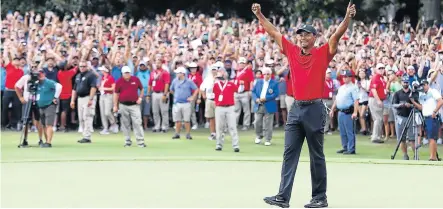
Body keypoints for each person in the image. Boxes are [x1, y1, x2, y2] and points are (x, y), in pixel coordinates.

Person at [252, 1, 356, 208]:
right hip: (296, 108)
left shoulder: (323, 52)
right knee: (289, 153)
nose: (301, 37)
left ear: (314, 38)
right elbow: (273, 32)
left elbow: (336, 35)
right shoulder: (291, 51)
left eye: (306, 34)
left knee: (316, 155)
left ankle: (320, 198)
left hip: (315, 108)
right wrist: (259, 15)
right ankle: (283, 196)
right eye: (299, 34)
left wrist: (348, 17)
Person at [113, 66, 146, 147]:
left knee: (137, 123)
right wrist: (115, 106)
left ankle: (140, 141)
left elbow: (141, 89)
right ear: (122, 73)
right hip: (123, 105)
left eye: (128, 72)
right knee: (125, 124)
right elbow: (116, 94)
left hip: (134, 105)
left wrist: (140, 98)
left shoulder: (135, 79)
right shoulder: (119, 81)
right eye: (125, 73)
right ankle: (127, 141)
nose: (127, 74)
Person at [410, 80, 443, 161]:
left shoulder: (433, 91)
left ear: (428, 84)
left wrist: (435, 111)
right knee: (429, 137)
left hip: (432, 117)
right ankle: (433, 156)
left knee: (432, 137)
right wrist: (413, 102)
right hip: (426, 117)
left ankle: (432, 157)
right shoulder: (421, 94)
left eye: (424, 85)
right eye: (422, 85)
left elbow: (440, 101)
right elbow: (422, 107)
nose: (423, 87)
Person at [330, 70, 359, 154]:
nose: (344, 78)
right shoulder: (341, 87)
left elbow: (356, 101)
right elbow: (337, 99)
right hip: (340, 111)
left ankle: (351, 148)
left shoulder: (353, 87)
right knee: (342, 131)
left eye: (346, 77)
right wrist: (332, 109)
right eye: (343, 77)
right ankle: (345, 147)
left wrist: (355, 112)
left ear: (350, 77)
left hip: (348, 112)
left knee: (349, 131)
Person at [212, 70, 241, 152]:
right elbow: (211, 91)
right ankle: (219, 144)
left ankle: (236, 145)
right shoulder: (216, 84)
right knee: (219, 127)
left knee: (232, 126)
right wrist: (214, 80)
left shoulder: (230, 84)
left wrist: (240, 84)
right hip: (219, 107)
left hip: (230, 107)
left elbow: (238, 89)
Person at [15, 64, 44, 146]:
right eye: (33, 67)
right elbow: (16, 86)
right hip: (27, 101)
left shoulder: (41, 77)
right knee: (25, 121)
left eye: (36, 67)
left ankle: (40, 139)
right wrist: (21, 97)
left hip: (37, 101)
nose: (34, 68)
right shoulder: (25, 77)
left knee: (38, 120)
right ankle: (24, 139)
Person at [71, 61, 97, 143]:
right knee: (81, 117)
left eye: (84, 66)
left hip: (87, 97)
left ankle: (87, 136)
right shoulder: (78, 76)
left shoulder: (91, 75)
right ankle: (84, 135)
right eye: (81, 66)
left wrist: (91, 99)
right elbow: (74, 89)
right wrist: (72, 100)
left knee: (87, 116)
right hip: (80, 98)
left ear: (87, 67)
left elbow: (93, 87)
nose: (82, 68)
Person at [35, 68, 62, 147]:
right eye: (38, 74)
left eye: (41, 73)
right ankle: (46, 141)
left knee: (49, 124)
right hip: (41, 106)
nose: (40, 75)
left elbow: (59, 86)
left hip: (49, 105)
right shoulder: (37, 83)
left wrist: (55, 97)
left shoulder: (48, 82)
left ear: (44, 74)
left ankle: (48, 142)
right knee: (43, 125)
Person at [252, 67, 279, 146]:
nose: (266, 76)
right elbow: (253, 92)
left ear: (270, 75)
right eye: (264, 74)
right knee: (257, 121)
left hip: (269, 104)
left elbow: (276, 93)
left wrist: (266, 98)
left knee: (268, 123)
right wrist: (256, 99)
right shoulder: (258, 82)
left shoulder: (274, 83)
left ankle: (268, 139)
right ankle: (259, 136)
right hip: (259, 104)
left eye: (268, 74)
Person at [170, 67, 199, 139]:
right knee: (177, 120)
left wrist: (192, 97)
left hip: (186, 103)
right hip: (177, 103)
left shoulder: (189, 81)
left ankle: (188, 134)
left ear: (182, 74)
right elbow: (171, 90)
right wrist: (176, 96)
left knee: (187, 120)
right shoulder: (175, 81)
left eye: (178, 73)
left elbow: (196, 89)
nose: (176, 74)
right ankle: (177, 134)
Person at [391, 76, 415, 160]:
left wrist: (410, 105)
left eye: (407, 82)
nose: (405, 83)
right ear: (401, 83)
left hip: (411, 117)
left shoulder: (413, 93)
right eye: (404, 82)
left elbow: (417, 105)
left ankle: (416, 155)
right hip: (400, 117)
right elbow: (393, 104)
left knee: (412, 138)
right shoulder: (397, 93)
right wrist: (401, 105)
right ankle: (405, 155)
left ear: (409, 83)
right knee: (401, 138)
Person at [147, 58, 171, 133]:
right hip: (154, 93)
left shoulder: (165, 72)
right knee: (155, 111)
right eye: (156, 63)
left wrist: (165, 93)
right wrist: (148, 94)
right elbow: (150, 84)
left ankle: (164, 126)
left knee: (164, 111)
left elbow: (167, 83)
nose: (157, 64)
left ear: (161, 64)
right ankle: (157, 125)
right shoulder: (152, 73)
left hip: (162, 93)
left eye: (159, 63)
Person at [368, 63, 387, 144]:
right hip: (375, 99)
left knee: (378, 118)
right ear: (376, 69)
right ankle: (375, 136)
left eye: (383, 68)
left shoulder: (381, 77)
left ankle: (376, 135)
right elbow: (373, 89)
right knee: (378, 118)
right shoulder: (376, 77)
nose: (382, 69)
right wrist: (378, 100)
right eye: (380, 68)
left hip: (378, 99)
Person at [234, 57, 254, 131]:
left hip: (245, 92)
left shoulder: (248, 71)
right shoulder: (237, 71)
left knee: (246, 110)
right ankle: (234, 124)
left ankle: (246, 125)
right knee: (236, 110)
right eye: (240, 63)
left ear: (245, 64)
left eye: (243, 63)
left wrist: (250, 90)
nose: (241, 65)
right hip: (236, 92)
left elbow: (251, 81)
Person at [200, 64, 219, 140]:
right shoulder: (207, 79)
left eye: (215, 70)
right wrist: (204, 95)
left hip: (218, 101)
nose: (214, 71)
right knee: (211, 118)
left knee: (219, 118)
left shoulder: (220, 78)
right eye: (212, 70)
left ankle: (219, 134)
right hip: (210, 99)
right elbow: (202, 88)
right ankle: (213, 133)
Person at [98, 66, 118, 134]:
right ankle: (105, 128)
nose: (101, 72)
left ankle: (114, 124)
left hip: (108, 96)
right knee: (103, 113)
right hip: (102, 96)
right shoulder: (103, 78)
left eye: (102, 70)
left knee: (107, 112)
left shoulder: (110, 78)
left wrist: (103, 88)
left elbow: (113, 88)